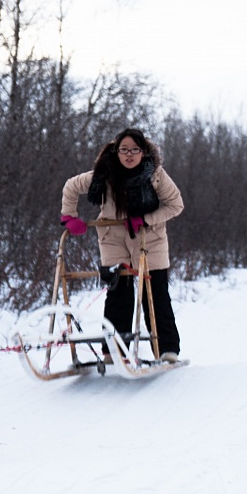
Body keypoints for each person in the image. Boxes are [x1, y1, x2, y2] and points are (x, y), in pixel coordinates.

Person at [60, 128, 184, 362]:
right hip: (114, 239)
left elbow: (175, 204)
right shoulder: (104, 174)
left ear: (143, 151)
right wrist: (69, 216)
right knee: (118, 294)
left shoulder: (155, 174)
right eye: (124, 150)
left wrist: (146, 219)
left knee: (155, 295)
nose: (129, 155)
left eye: (134, 150)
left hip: (150, 240)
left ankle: (167, 350)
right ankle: (114, 351)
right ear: (116, 152)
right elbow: (71, 186)